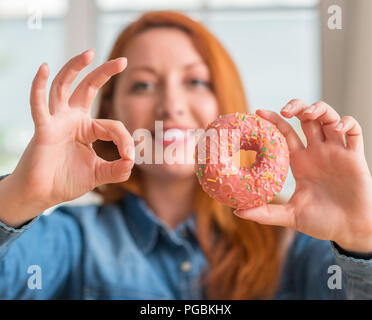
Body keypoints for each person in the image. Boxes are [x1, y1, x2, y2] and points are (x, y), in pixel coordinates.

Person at [1, 11, 372, 300]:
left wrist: (360, 239)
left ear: (225, 101)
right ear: (112, 108)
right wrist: (19, 197)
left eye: (195, 81)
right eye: (144, 85)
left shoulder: (295, 245)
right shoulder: (73, 241)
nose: (171, 106)